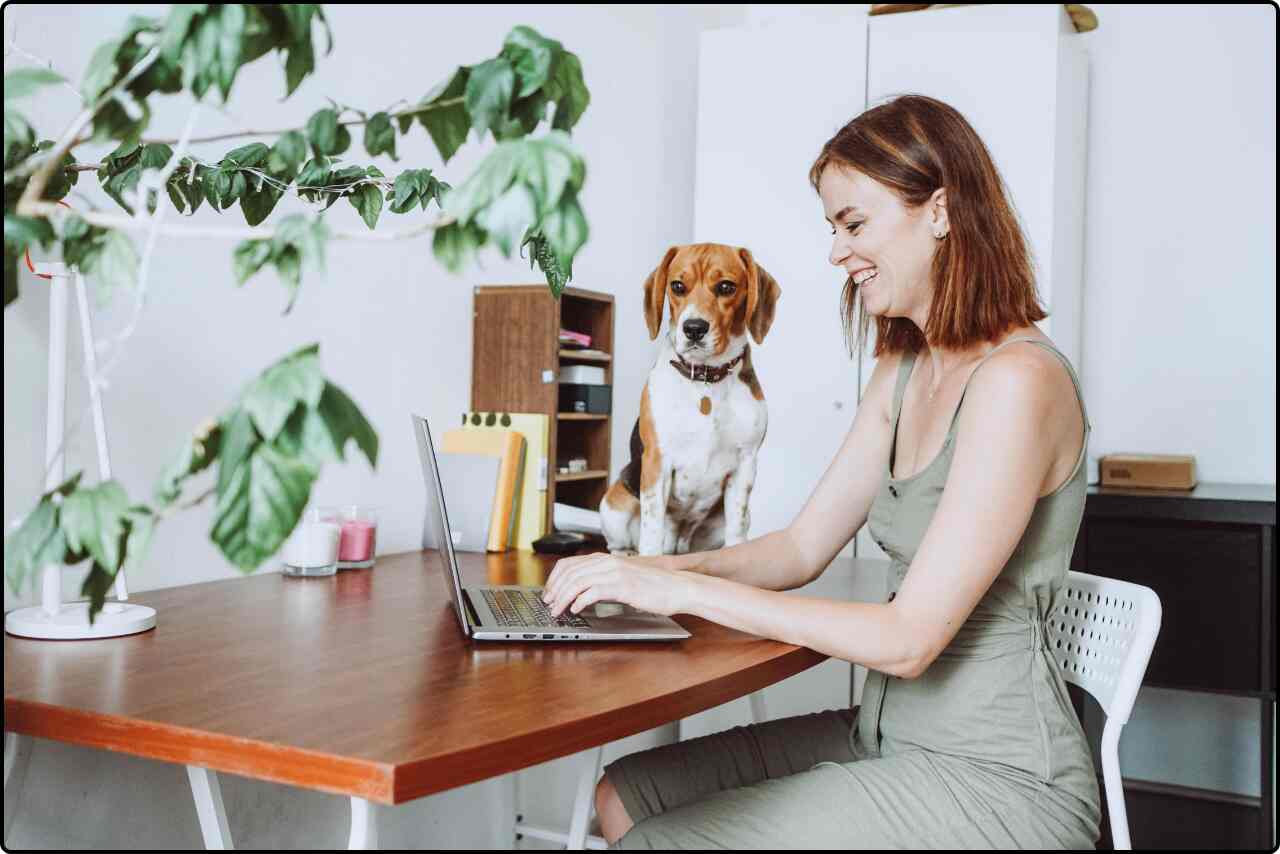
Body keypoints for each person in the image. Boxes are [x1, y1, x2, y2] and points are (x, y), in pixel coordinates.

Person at [542, 93, 1101, 850]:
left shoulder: (1018, 383)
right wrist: (640, 569)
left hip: (999, 777)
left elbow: (909, 639)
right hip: (885, 732)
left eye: (855, 223)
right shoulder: (905, 367)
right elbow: (801, 549)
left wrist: (678, 588)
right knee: (624, 792)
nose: (836, 251)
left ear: (940, 210)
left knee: (655, 841)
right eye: (833, 228)